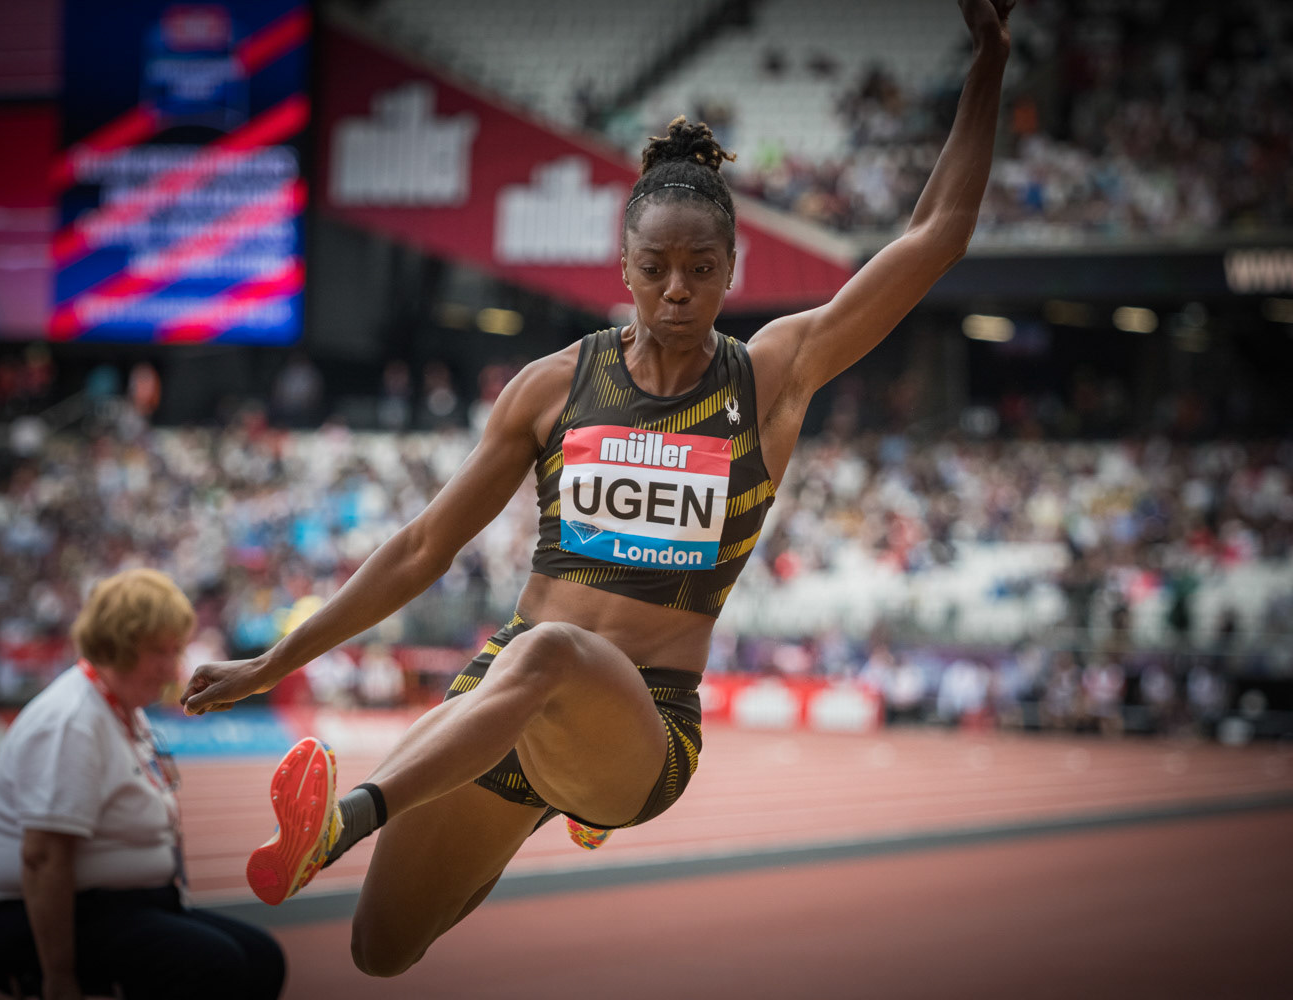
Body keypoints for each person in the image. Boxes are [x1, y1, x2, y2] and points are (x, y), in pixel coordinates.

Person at [182, 0, 1013, 978]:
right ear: (621, 266)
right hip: (505, 698)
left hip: (642, 723)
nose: (675, 290)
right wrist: (273, 660)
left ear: (730, 269)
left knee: (550, 652)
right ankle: (540, 807)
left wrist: (990, 62)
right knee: (380, 950)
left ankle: (343, 820)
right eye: (655, 267)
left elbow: (939, 232)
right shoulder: (552, 387)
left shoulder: (771, 377)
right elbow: (419, 548)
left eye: (700, 270)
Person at [0, 569, 285, 1000]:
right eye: (161, 652)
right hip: (36, 920)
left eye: (176, 651)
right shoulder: (72, 721)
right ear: (118, 643)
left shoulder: (123, 711)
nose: (173, 668)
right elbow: (44, 858)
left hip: (126, 906)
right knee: (216, 965)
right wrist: (59, 978)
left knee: (263, 959)